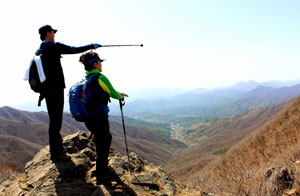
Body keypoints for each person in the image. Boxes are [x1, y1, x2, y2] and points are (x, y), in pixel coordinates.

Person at [37, 25, 101, 161]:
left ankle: (57, 148)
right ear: (48, 33)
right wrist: (91, 46)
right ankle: (56, 153)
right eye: (53, 32)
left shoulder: (40, 50)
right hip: (56, 89)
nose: (54, 35)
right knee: (56, 120)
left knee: (53, 119)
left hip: (47, 91)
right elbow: (73, 50)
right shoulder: (52, 47)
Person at [79, 51, 128, 185]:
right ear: (95, 63)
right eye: (100, 62)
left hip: (89, 118)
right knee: (104, 144)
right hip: (99, 118)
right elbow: (112, 92)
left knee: (102, 141)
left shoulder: (86, 79)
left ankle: (101, 170)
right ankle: (102, 177)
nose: (101, 65)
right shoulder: (100, 78)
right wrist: (120, 96)